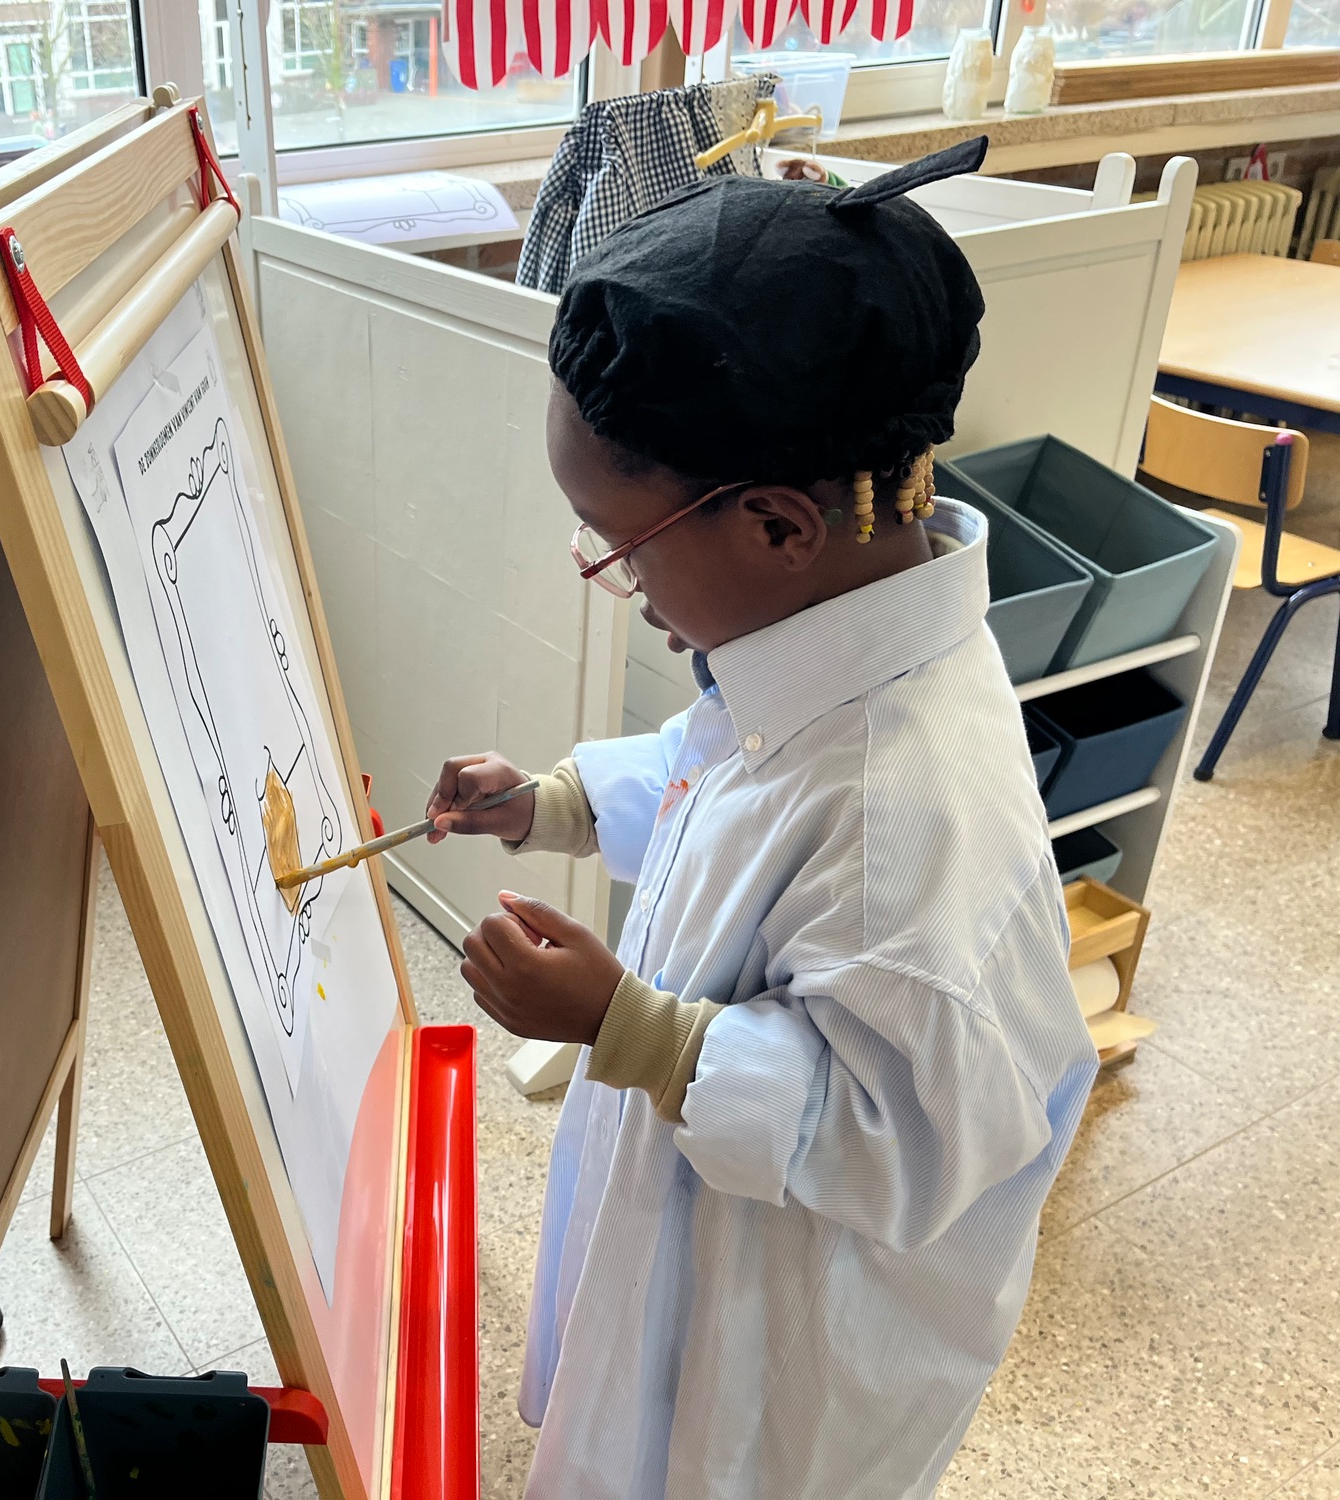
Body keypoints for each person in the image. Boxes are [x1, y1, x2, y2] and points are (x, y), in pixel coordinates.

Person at [425, 139, 1099, 1500]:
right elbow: (722, 779)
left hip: (793, 1343)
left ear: (782, 527)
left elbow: (897, 1138)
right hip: (709, 1222)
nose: (613, 581)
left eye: (617, 548)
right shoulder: (835, 641)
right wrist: (556, 804)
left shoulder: (906, 817)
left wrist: (632, 1029)